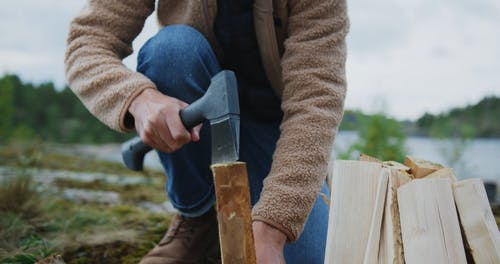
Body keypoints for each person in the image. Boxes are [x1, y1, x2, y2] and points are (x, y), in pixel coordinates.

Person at [65, 0, 349, 263]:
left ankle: (248, 218)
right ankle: (197, 214)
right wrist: (138, 99)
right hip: (199, 114)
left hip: (278, 138)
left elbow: (315, 103)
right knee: (172, 52)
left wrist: (274, 226)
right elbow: (87, 44)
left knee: (310, 257)